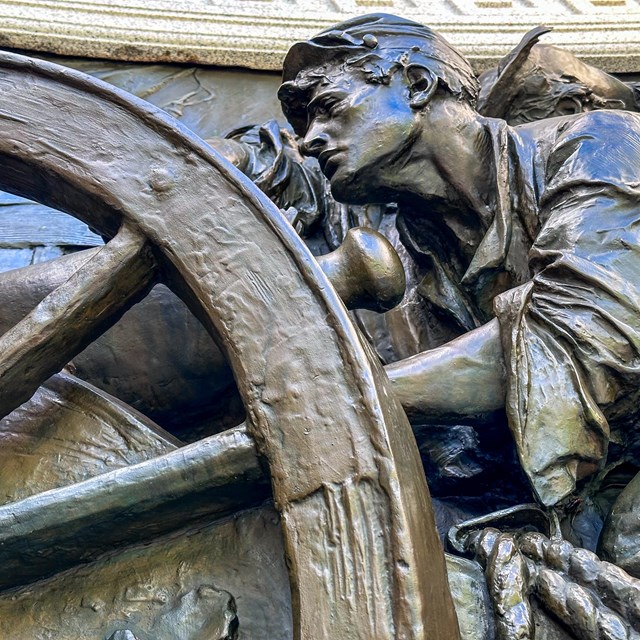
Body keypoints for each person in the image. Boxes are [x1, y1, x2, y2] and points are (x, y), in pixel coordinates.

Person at [278, 12, 640, 539]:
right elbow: (461, 448)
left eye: (329, 108)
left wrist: (341, 400)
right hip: (560, 492)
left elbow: (581, 329)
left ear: (418, 84)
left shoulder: (602, 142)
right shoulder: (410, 255)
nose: (311, 141)